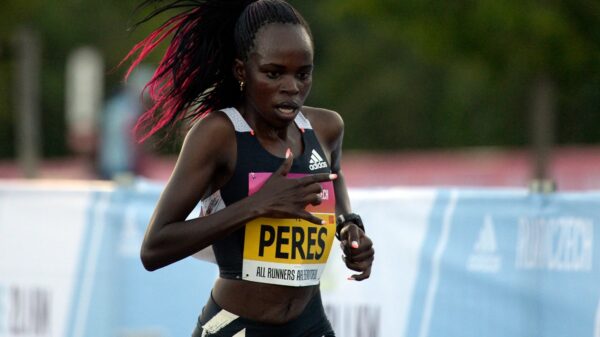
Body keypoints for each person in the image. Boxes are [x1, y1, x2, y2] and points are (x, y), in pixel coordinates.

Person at [123, 0, 374, 336]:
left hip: (309, 323)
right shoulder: (219, 135)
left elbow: (334, 173)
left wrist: (348, 224)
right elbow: (154, 248)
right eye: (273, 73)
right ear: (242, 71)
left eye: (303, 74)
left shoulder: (326, 128)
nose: (292, 87)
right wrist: (257, 205)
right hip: (238, 326)